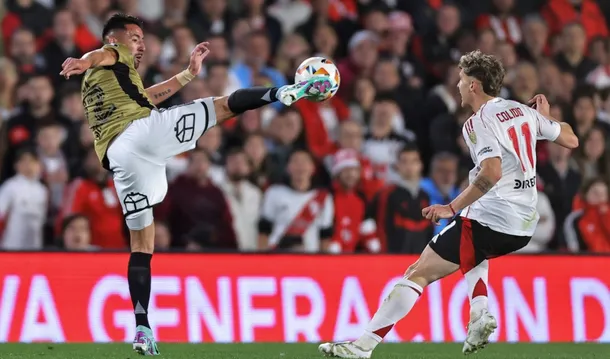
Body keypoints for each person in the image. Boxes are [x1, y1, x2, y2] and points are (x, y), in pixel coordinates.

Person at [58, 13, 331, 356]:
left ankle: (142, 326)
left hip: (121, 161)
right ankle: (283, 91)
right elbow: (101, 55)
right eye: (135, 37)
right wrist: (83, 60)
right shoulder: (113, 53)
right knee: (222, 107)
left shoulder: (108, 82)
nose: (140, 44)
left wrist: (187, 73)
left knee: (142, 245)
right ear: (116, 39)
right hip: (141, 134)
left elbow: (148, 97)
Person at [318, 50, 579, 358]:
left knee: (418, 272)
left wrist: (450, 207)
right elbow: (571, 139)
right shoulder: (522, 112)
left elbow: (491, 171)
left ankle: (362, 347)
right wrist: (545, 119)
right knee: (472, 240)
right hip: (522, 225)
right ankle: (479, 311)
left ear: (474, 86)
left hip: (495, 217)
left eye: (461, 79)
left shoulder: (477, 122)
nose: (457, 85)